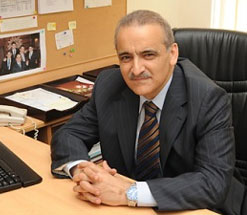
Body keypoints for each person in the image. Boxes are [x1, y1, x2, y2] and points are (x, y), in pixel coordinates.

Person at [51, 10, 246, 214]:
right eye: (126, 57)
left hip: (197, 207)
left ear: (172, 54)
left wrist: (129, 193)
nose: (136, 70)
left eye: (148, 55)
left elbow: (212, 182)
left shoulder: (208, 98)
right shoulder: (110, 85)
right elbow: (68, 134)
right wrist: (84, 171)